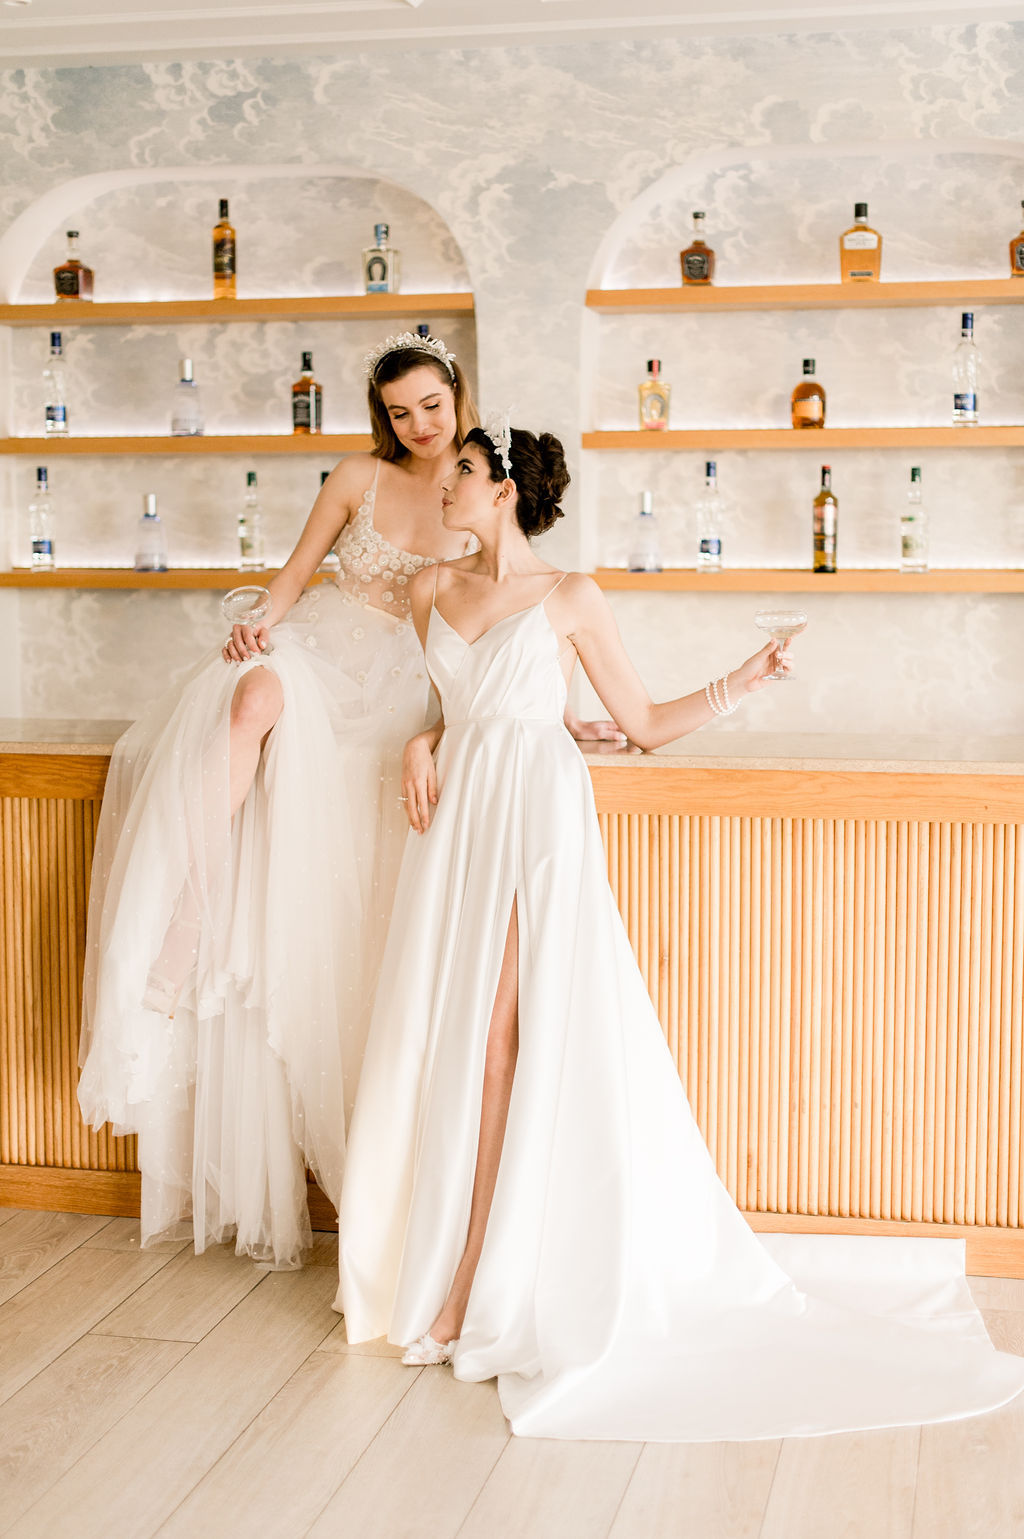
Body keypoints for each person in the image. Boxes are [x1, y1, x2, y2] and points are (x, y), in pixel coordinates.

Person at [335, 418, 1024, 1441]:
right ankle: (449, 1271)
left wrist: (742, 681)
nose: (445, 487)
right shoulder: (433, 589)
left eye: (465, 475)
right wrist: (420, 741)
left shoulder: (568, 597)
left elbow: (643, 724)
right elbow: (449, 697)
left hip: (536, 818)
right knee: (450, 1045)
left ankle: (474, 1286)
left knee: (501, 1048)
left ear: (508, 491)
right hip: (459, 826)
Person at [77, 335, 621, 1271]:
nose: (420, 425)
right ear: (384, 415)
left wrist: (558, 717)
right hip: (324, 658)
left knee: (373, 866)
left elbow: (516, 617)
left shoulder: (483, 487)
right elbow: (296, 572)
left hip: (413, 685)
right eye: (402, 411)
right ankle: (183, 923)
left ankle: (390, 1174)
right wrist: (264, 622)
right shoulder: (353, 475)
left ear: (458, 396)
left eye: (433, 406)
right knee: (249, 699)